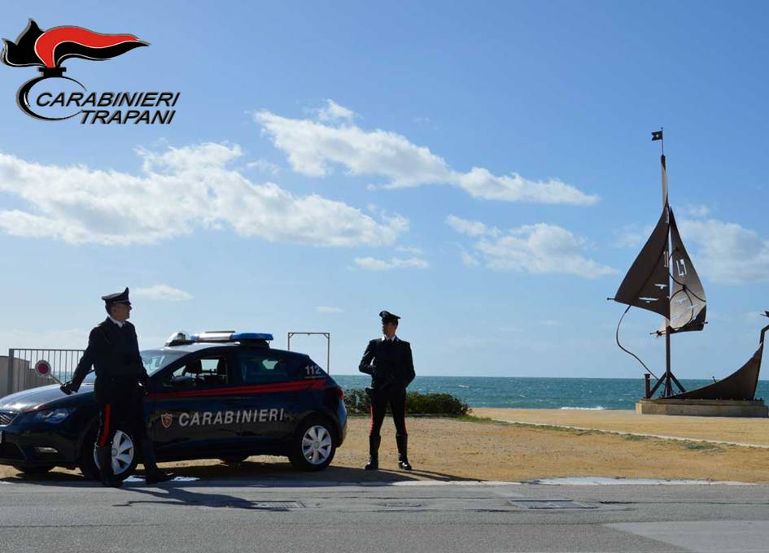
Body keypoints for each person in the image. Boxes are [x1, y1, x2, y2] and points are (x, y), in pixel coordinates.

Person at [60, 288, 172, 487]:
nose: (130, 308)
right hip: (110, 390)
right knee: (107, 431)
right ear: (114, 308)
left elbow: (136, 359)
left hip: (130, 389)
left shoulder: (130, 329)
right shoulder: (100, 331)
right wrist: (75, 383)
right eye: (126, 305)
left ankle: (152, 472)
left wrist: (145, 381)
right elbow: (88, 359)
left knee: (141, 430)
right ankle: (106, 474)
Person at [358, 310, 416, 471]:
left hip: (397, 392)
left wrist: (399, 385)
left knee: (400, 425)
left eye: (386, 323)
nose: (383, 326)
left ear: (394, 326)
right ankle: (373, 459)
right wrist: (375, 371)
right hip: (379, 391)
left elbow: (410, 372)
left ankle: (403, 459)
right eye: (382, 323)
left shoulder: (404, 346)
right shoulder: (374, 344)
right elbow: (362, 365)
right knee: (375, 426)